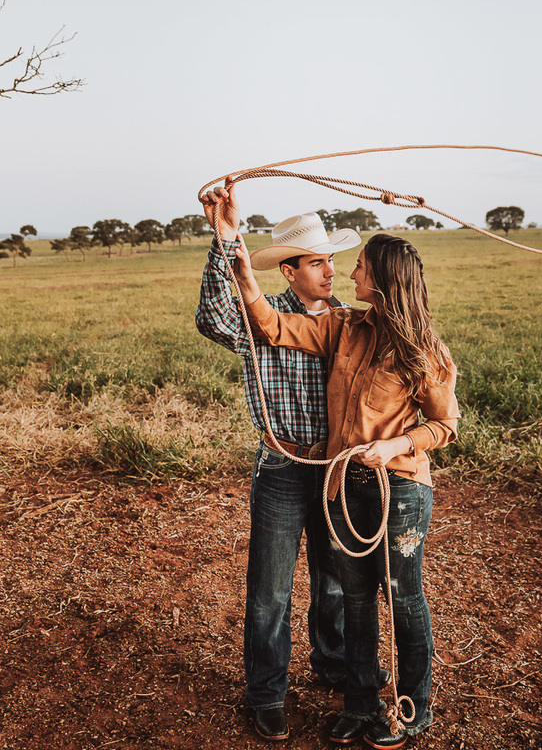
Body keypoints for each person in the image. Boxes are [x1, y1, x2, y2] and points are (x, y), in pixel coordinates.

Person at [229, 222, 460, 750]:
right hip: (346, 486)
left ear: (381, 279)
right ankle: (360, 702)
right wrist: (245, 276)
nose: (347, 271)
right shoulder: (343, 327)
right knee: (354, 598)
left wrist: (396, 446)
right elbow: (271, 325)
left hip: (397, 490)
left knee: (402, 596)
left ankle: (412, 707)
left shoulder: (425, 350)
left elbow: (445, 427)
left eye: (359, 266)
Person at [196, 183, 362, 741]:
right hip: (284, 468)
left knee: (334, 579)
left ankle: (333, 665)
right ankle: (266, 692)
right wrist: (225, 237)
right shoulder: (258, 316)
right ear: (288, 272)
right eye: (316, 262)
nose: (330, 272)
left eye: (332, 261)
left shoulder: (349, 322)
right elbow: (212, 317)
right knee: (270, 589)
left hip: (337, 468)